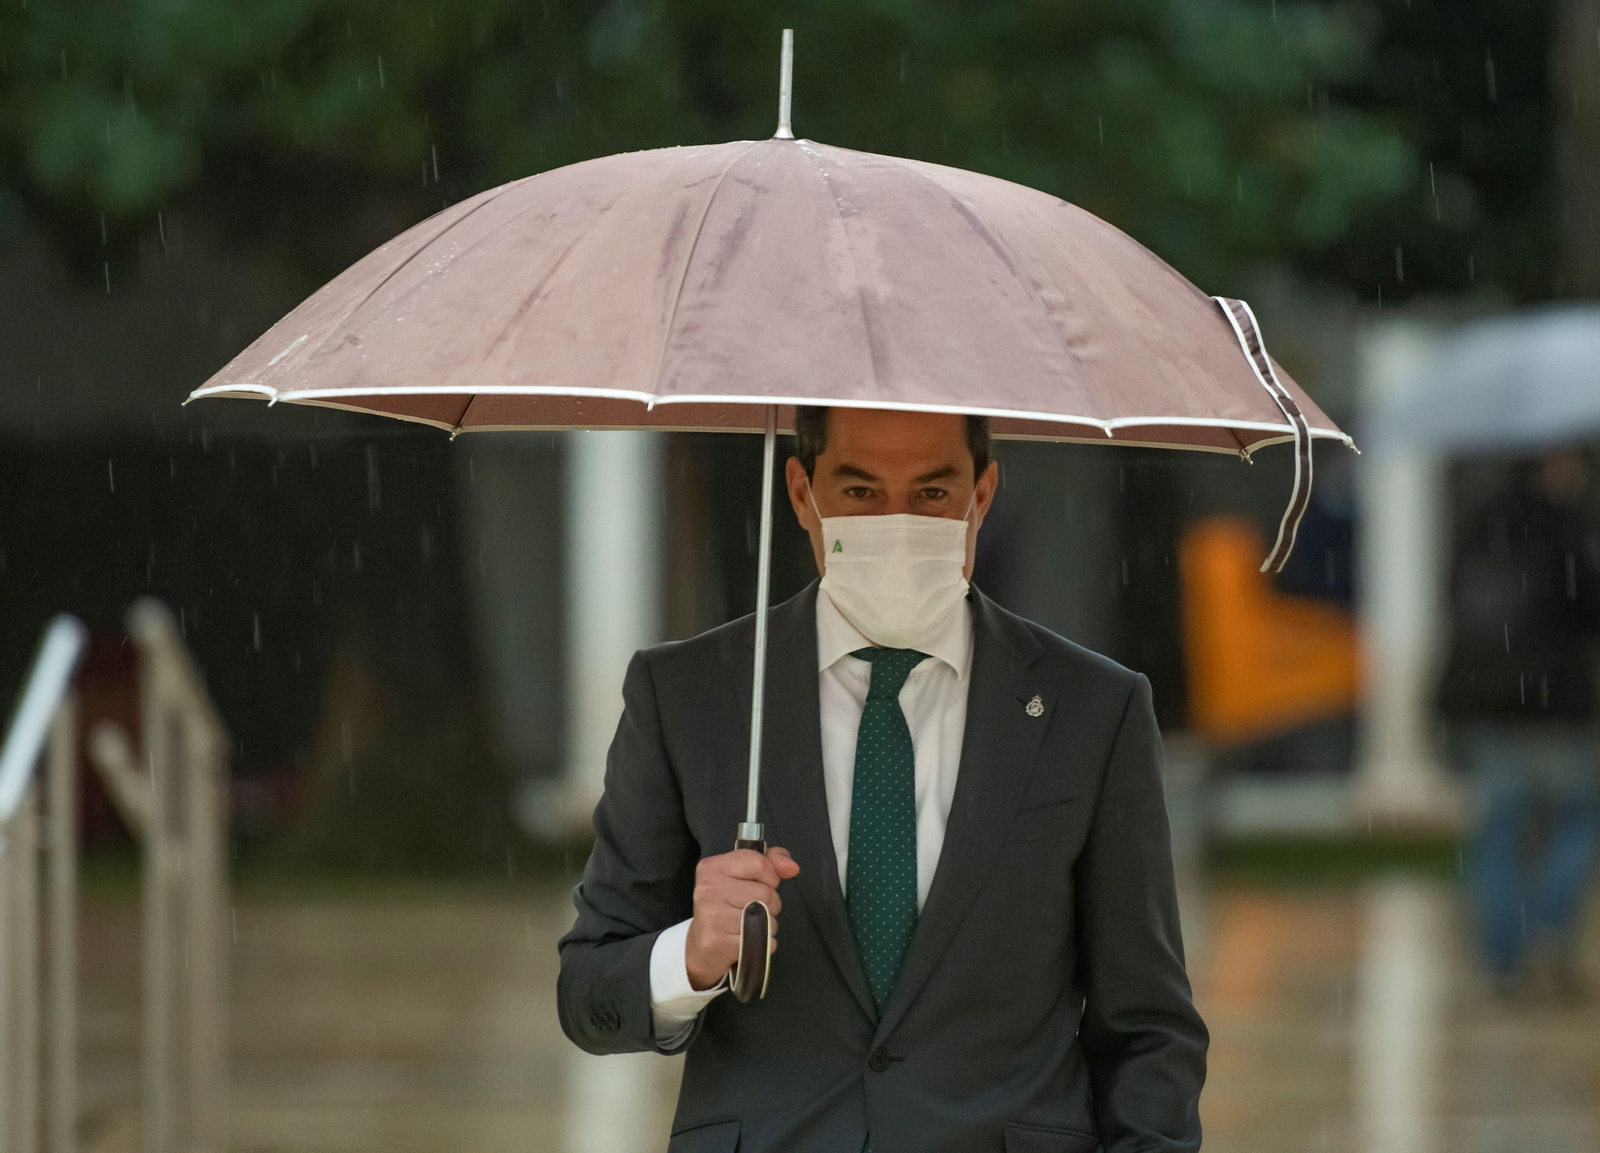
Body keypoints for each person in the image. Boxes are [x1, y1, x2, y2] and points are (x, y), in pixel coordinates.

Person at [557, 407, 1207, 1153]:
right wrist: (692, 955)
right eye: (861, 492)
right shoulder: (690, 695)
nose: (897, 522)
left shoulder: (1094, 709)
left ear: (983, 491)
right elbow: (587, 993)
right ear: (801, 493)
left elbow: (1150, 1030)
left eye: (932, 494)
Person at [1437, 448, 1600, 999]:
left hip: (1488, 705)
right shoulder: (1565, 529)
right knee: (1577, 819)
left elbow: (1452, 603)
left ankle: (1503, 958)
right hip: (1554, 705)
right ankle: (1550, 927)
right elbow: (1587, 611)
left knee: (1500, 829)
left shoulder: (1478, 524)